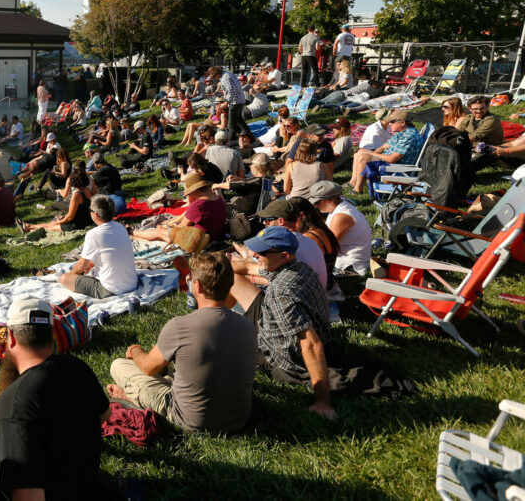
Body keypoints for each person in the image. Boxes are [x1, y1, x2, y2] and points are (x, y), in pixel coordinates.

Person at [0, 297, 110, 501]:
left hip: (16, 491)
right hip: (74, 474)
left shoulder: (14, 402)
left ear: (11, 337)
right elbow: (105, 414)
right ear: (51, 335)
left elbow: (28, 497)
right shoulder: (75, 365)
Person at [108, 252, 256, 432]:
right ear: (231, 284)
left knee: (118, 365)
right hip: (239, 418)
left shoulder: (180, 326)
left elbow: (148, 367)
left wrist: (135, 351)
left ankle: (129, 397)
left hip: (191, 420)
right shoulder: (248, 325)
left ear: (197, 286)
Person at [225, 226, 335, 419]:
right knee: (230, 278)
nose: (253, 254)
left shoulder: (281, 294)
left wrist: (322, 402)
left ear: (283, 255)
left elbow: (311, 344)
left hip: (280, 355)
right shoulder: (297, 267)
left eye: (261, 252)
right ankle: (214, 314)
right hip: (276, 321)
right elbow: (250, 266)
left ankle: (212, 322)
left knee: (226, 338)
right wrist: (219, 265)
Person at [57, 195, 137, 298]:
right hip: (132, 283)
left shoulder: (93, 234)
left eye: (90, 210)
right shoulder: (120, 227)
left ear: (96, 215)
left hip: (111, 290)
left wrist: (71, 275)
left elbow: (81, 265)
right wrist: (90, 265)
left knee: (64, 278)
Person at [133, 172, 226, 244]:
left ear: (195, 191)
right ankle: (134, 235)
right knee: (161, 231)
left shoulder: (198, 205)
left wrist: (164, 228)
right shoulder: (218, 198)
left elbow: (180, 229)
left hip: (197, 241)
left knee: (158, 232)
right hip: (215, 235)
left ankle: (132, 233)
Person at [349, 110, 422, 193]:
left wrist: (369, 153)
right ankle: (353, 181)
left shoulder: (409, 136)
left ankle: (358, 190)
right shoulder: (402, 132)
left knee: (364, 157)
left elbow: (392, 159)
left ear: (402, 123)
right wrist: (371, 153)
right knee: (359, 153)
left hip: (397, 167)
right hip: (390, 161)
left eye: (392, 121)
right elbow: (384, 146)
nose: (389, 124)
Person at [309, 181, 372, 276]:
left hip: (350, 264)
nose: (315, 206)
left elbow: (328, 247)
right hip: (345, 257)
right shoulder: (339, 208)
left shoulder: (341, 216)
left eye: (317, 202)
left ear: (330, 200)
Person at [20, 163, 92, 234]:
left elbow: (70, 217)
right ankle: (29, 226)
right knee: (51, 224)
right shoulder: (86, 190)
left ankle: (29, 227)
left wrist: (58, 222)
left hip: (77, 225)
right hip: (85, 219)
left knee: (49, 227)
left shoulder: (76, 195)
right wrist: (63, 217)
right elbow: (79, 211)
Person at [207, 66, 251, 141]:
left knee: (231, 125)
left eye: (214, 77)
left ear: (216, 74)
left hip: (235, 102)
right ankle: (250, 137)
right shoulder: (227, 74)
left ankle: (230, 141)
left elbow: (231, 92)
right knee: (239, 121)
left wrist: (225, 103)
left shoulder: (225, 78)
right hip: (239, 100)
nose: (214, 79)